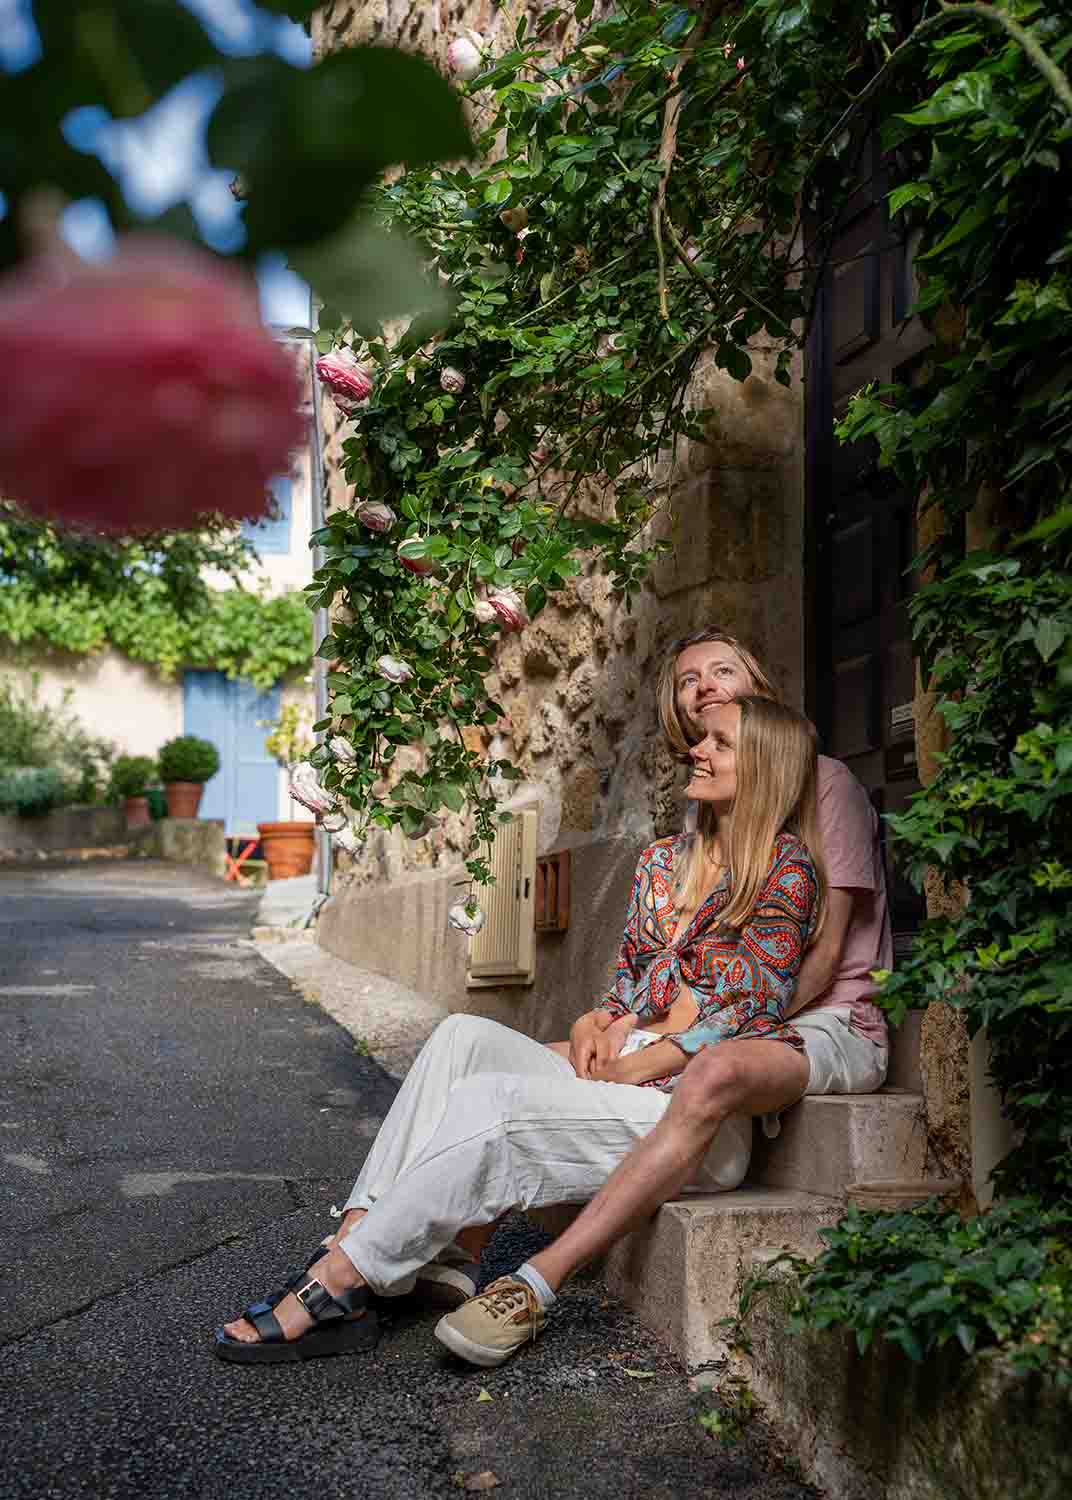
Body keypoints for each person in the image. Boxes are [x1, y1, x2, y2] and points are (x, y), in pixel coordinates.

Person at [215, 694, 824, 1365]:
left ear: (764, 767)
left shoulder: (785, 870)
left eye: (720, 744)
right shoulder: (660, 862)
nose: (697, 750)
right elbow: (627, 984)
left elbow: (747, 1009)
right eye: (701, 738)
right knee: (460, 1040)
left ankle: (335, 1284)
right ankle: (357, 1237)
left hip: (692, 1113)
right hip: (623, 1068)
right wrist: (596, 1020)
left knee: (494, 1103)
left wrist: (635, 1062)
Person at [435, 627, 891, 1367]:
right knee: (539, 1061)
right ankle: (457, 1247)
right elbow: (674, 958)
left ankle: (538, 1279)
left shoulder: (826, 783)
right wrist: (614, 1020)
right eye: (688, 681)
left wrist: (695, 1045)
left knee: (702, 1073)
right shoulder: (705, 806)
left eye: (722, 670)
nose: (704, 686)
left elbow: (825, 955)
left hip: (828, 1017)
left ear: (760, 683)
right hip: (736, 1015)